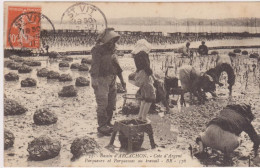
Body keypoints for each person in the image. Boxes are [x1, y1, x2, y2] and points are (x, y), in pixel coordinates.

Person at [90, 28, 126, 136]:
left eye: (113, 41)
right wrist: (94, 79)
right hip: (101, 80)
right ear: (105, 41)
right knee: (103, 103)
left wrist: (122, 81)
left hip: (112, 79)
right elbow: (94, 66)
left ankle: (108, 122)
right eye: (110, 41)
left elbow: (118, 67)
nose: (112, 43)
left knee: (111, 103)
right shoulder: (97, 50)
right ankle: (102, 126)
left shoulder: (112, 51)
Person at [131, 39, 156, 122]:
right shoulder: (143, 53)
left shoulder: (136, 54)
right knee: (150, 97)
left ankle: (140, 116)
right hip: (145, 75)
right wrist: (153, 77)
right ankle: (144, 118)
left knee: (144, 97)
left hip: (140, 75)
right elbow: (147, 67)